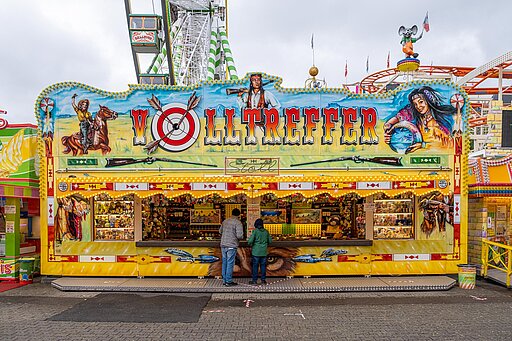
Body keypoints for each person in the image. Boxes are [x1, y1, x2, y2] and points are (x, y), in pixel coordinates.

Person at [383, 86, 455, 154]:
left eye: (421, 102)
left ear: (429, 101)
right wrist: (388, 132)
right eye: (415, 104)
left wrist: (423, 145)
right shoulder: (415, 114)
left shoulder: (441, 120)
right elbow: (392, 121)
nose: (418, 106)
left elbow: (447, 145)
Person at [219, 208, 244, 286]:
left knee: (225, 262)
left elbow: (220, 231)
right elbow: (239, 236)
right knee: (230, 263)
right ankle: (228, 281)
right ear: (239, 215)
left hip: (223, 244)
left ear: (232, 213)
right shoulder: (238, 223)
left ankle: (224, 280)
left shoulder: (225, 221)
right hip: (231, 245)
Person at [247, 218, 272, 285]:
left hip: (256, 252)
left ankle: (254, 281)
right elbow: (270, 241)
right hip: (264, 252)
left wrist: (250, 243)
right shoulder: (266, 232)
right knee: (263, 266)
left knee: (255, 266)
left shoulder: (255, 231)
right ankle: (263, 280)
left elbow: (250, 241)